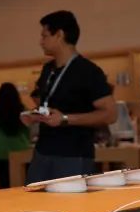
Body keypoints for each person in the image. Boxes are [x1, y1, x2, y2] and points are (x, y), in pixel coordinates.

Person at [23, 11, 117, 182]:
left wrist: (65, 119)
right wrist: (36, 115)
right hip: (42, 153)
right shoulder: (47, 69)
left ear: (59, 35)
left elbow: (110, 114)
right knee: (34, 205)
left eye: (44, 36)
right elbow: (48, 104)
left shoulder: (88, 72)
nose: (40, 42)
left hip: (73, 155)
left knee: (69, 207)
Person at [0, 83, 32, 188]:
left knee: (4, 184)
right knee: (23, 184)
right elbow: (29, 131)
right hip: (21, 150)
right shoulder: (24, 110)